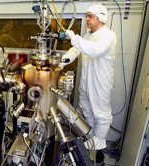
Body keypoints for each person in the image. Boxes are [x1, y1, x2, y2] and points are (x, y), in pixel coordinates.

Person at [60, 4, 117, 161]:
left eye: (90, 16)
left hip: (100, 82)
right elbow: (76, 50)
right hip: (87, 81)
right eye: (86, 16)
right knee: (87, 110)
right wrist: (63, 60)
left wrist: (74, 37)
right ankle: (90, 138)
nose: (87, 19)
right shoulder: (88, 35)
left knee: (101, 114)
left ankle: (97, 145)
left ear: (101, 17)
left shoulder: (108, 35)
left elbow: (94, 50)